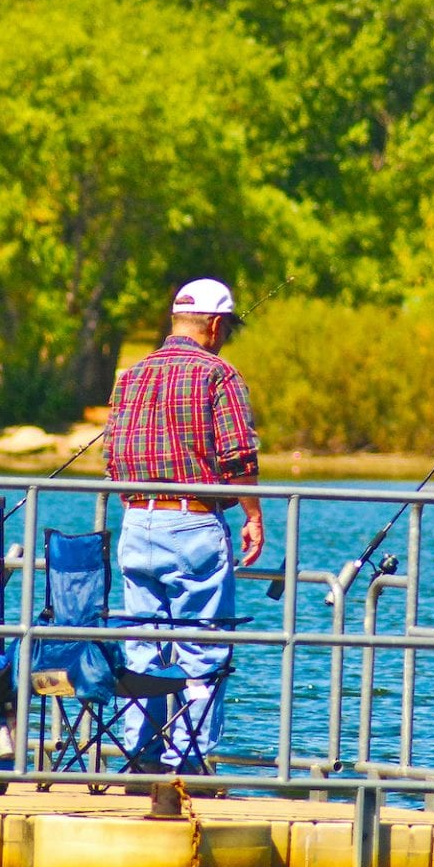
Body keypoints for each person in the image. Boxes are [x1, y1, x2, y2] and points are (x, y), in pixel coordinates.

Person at [102, 277, 264, 772]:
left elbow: (112, 455)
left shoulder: (129, 376)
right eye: (227, 328)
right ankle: (187, 761)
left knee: (141, 646)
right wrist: (253, 515)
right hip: (193, 523)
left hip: (134, 524)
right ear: (215, 325)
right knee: (203, 648)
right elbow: (238, 454)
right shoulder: (220, 375)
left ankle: (139, 756)